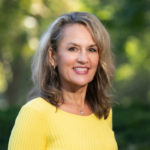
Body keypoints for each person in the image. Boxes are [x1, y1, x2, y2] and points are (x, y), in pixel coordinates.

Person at [8, 12, 118, 150]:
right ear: (53, 56)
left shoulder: (103, 111)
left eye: (92, 49)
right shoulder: (35, 113)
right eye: (73, 48)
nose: (84, 59)